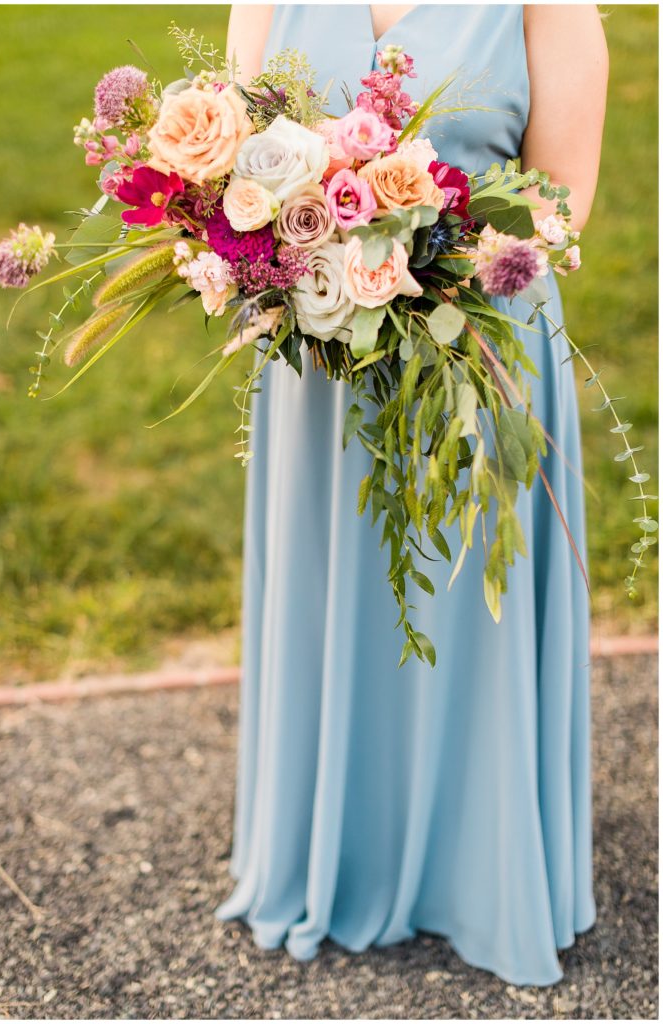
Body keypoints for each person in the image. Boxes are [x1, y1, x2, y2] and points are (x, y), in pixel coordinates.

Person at [216, 2, 609, 987]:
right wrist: (292, 263)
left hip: (479, 349)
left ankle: (481, 866)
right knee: (330, 588)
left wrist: (412, 270)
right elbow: (230, 187)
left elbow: (558, 208)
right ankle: (337, 846)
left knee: (471, 594)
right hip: (319, 369)